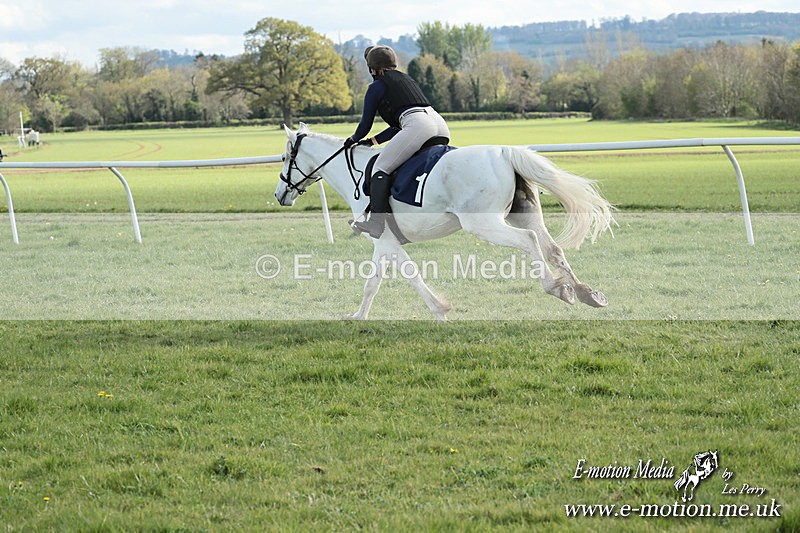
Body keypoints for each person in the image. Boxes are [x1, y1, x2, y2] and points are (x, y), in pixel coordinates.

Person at [344, 45, 450, 238]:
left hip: (417, 125)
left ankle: (376, 223)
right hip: (439, 123)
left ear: (372, 68)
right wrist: (373, 141)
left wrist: (353, 140)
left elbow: (365, 124)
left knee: (380, 168)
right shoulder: (407, 79)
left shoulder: (376, 87)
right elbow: (397, 126)